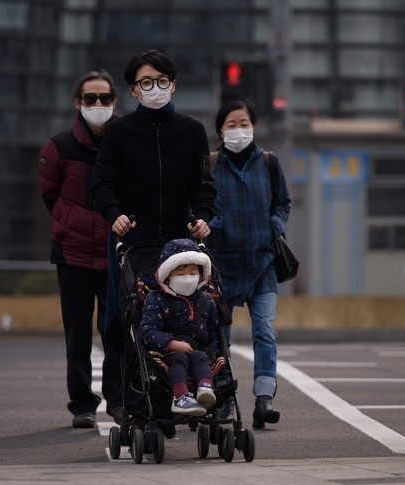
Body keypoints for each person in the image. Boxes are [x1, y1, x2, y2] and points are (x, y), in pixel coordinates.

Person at [92, 49, 216, 425]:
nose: (156, 89)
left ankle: (199, 390)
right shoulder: (119, 132)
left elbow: (204, 186)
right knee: (122, 318)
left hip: (179, 244)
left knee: (192, 319)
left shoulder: (192, 131)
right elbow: (102, 185)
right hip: (134, 241)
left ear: (174, 84)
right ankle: (124, 398)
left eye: (162, 81)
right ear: (133, 90)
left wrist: (203, 219)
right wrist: (114, 217)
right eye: (146, 83)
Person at [38, 70, 118, 428]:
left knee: (115, 330)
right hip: (72, 254)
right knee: (78, 333)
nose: (97, 104)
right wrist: (70, 222)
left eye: (104, 98)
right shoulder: (59, 147)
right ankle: (82, 404)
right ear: (77, 103)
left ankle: (118, 400)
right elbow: (49, 195)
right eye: (90, 98)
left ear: (114, 101)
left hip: (116, 253)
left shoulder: (125, 142)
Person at [206, 99, 291, 429]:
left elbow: (283, 203)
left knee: (265, 331)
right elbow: (199, 206)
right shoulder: (211, 164)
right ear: (220, 130)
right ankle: (224, 398)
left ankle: (264, 398)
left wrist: (274, 226)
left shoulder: (269, 162)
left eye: (244, 123)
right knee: (218, 335)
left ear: (254, 126)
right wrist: (214, 224)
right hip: (221, 266)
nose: (238, 129)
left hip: (262, 264)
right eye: (231, 124)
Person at [139, 238, 219, 417]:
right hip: (167, 354)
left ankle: (205, 389)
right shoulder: (156, 299)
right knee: (179, 359)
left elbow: (214, 333)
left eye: (193, 272)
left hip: (199, 352)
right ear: (167, 275)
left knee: (201, 357)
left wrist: (213, 352)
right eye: (181, 273)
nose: (188, 277)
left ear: (201, 274)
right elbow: (147, 330)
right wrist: (171, 343)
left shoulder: (206, 300)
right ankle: (180, 396)